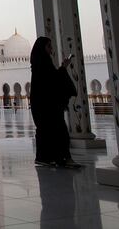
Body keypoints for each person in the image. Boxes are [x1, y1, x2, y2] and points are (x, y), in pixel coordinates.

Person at [29, 36, 80, 168]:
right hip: (47, 106)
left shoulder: (38, 62)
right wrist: (63, 68)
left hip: (43, 105)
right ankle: (62, 158)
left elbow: (51, 80)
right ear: (42, 48)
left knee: (46, 131)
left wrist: (62, 68)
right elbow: (52, 81)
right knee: (58, 131)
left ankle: (45, 158)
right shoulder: (43, 62)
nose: (51, 49)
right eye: (49, 47)